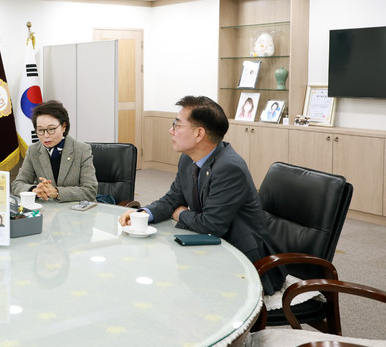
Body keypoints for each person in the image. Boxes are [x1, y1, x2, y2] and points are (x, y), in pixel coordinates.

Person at [118, 96, 285, 295]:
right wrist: (143, 214)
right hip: (210, 249)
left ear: (199, 134)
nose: (171, 130)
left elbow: (211, 225)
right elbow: (173, 198)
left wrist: (180, 213)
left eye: (177, 125)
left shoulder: (229, 167)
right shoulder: (188, 160)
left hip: (243, 261)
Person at [12, 100, 97, 202]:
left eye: (51, 129)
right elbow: (17, 184)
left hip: (76, 209)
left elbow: (90, 190)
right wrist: (34, 190)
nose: (46, 135)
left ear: (64, 126)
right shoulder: (33, 150)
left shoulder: (82, 150)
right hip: (47, 209)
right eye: (40, 130)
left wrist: (57, 192)